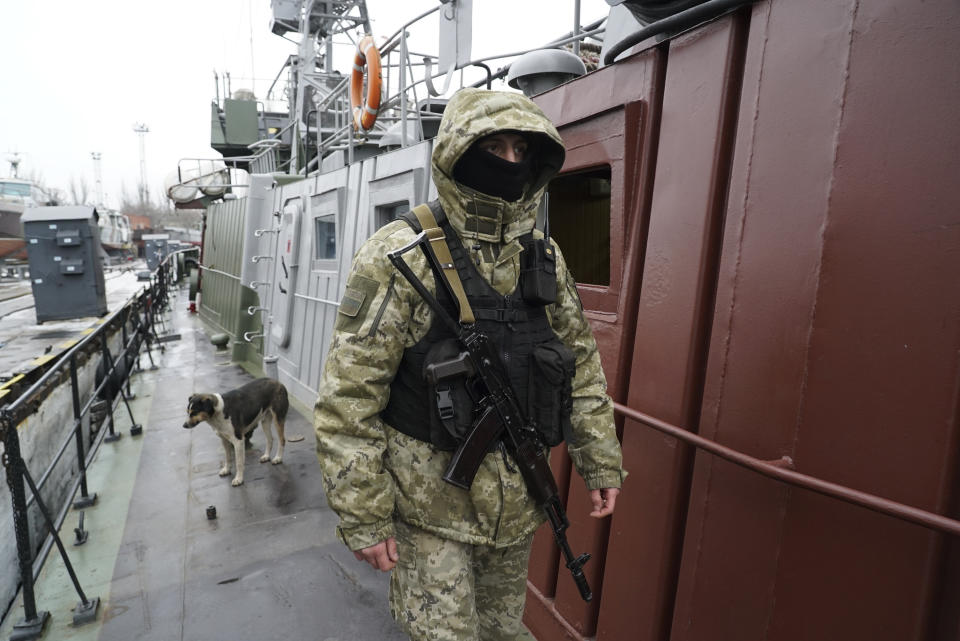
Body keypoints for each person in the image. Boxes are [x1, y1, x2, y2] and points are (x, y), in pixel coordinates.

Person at [314, 87, 625, 641]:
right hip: (428, 512)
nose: (509, 163)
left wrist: (598, 460)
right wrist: (364, 514)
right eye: (494, 148)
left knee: (505, 631)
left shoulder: (542, 256)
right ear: (458, 153)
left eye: (520, 151)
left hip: (517, 506)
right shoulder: (399, 256)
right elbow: (348, 401)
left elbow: (580, 367)